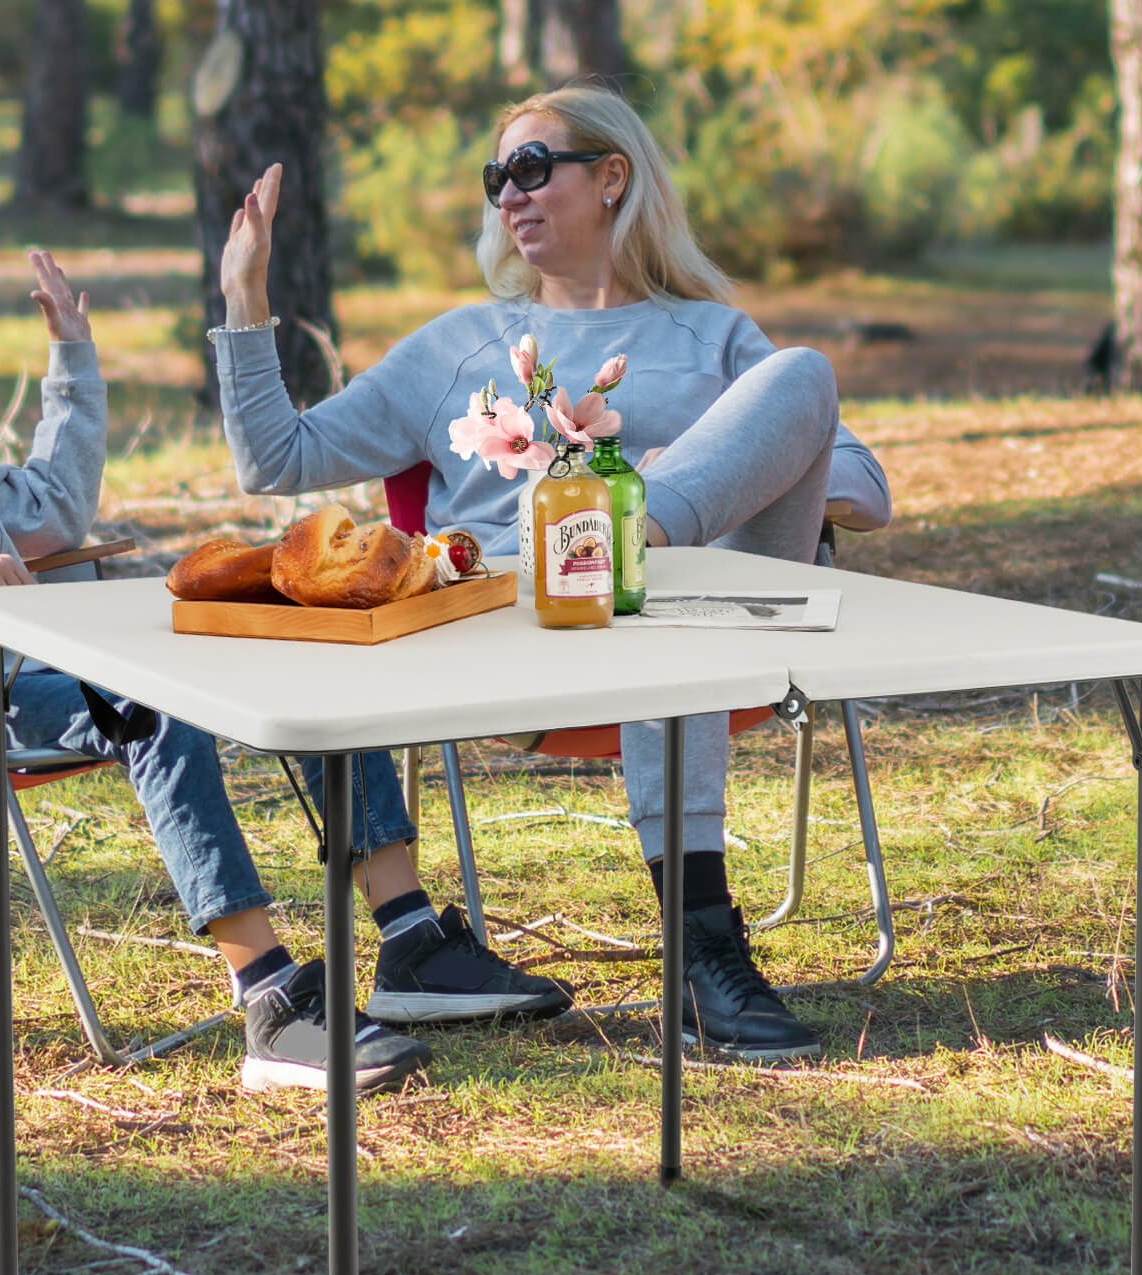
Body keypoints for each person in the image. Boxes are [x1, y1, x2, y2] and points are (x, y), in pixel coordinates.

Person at [0, 210, 568, 1098]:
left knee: (306, 642)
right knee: (152, 705)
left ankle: (410, 940)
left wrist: (72, 360)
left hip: (24, 668)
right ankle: (268, 1005)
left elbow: (53, 510)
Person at [212, 85, 892, 1062]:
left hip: (701, 612)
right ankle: (701, 944)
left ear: (611, 176)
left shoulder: (714, 336)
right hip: (518, 625)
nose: (510, 196)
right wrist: (246, 301)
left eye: (533, 168)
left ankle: (632, 538)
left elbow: (861, 478)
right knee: (661, 602)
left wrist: (680, 494)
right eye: (498, 180)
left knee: (802, 378)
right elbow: (274, 460)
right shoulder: (455, 346)